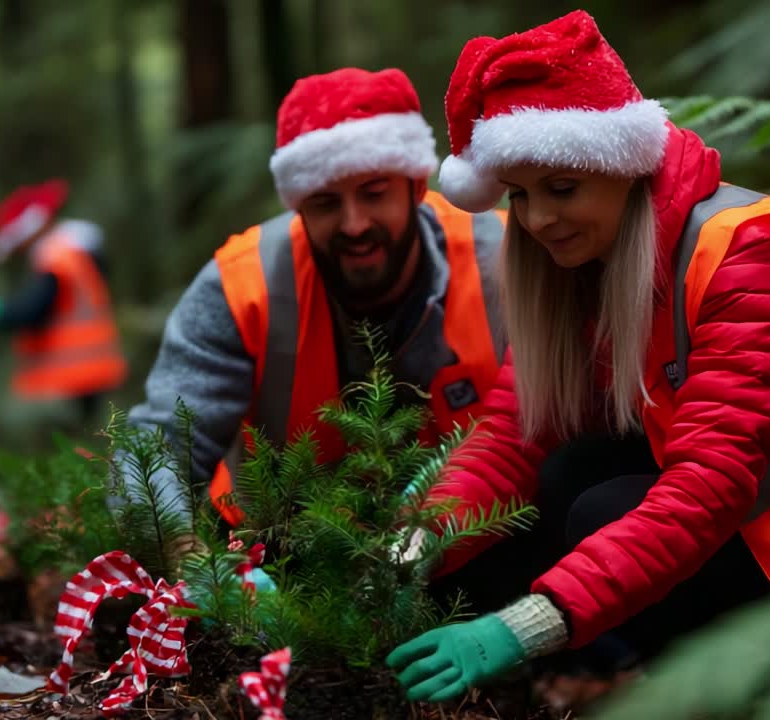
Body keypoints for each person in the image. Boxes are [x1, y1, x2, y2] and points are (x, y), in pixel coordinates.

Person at [386, 10, 770, 703]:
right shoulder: (588, 266)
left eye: (562, 188)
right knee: (568, 471)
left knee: (601, 509)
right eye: (520, 196)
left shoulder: (753, 251)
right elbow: (511, 436)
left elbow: (707, 488)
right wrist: (401, 553)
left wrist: (525, 627)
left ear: (621, 165)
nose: (539, 219)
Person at [124, 67, 508, 555]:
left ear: (415, 186)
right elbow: (158, 444)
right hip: (282, 557)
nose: (354, 224)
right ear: (298, 207)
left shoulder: (505, 259)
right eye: (325, 202)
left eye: (374, 193)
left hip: (483, 540)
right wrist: (182, 553)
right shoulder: (244, 283)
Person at [0, 179, 126, 424]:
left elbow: (34, 309)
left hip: (73, 370)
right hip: (90, 365)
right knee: (95, 437)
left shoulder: (56, 256)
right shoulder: (78, 252)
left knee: (79, 444)